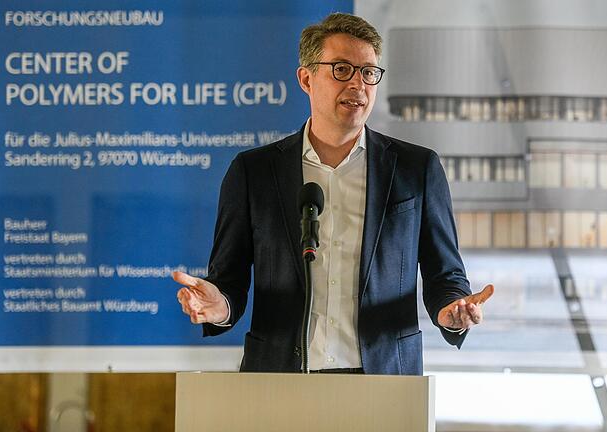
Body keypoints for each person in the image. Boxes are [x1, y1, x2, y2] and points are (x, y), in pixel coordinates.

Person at [174, 12, 494, 375]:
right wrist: (220, 305)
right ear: (306, 78)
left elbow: (445, 276)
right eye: (342, 69)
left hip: (384, 379)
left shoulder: (415, 169)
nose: (358, 85)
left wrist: (453, 310)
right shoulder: (253, 172)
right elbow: (228, 280)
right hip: (281, 379)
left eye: (368, 72)